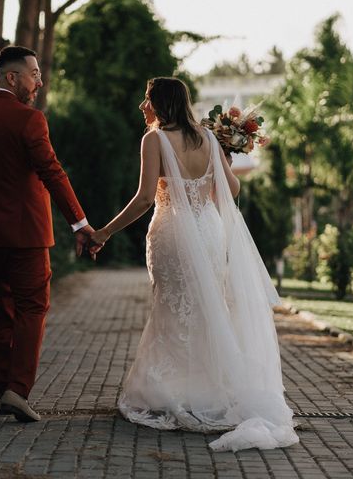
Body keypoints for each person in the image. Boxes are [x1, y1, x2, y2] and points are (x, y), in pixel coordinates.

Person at [90, 77, 299, 452]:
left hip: (172, 231)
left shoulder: (153, 139)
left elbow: (142, 200)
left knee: (171, 308)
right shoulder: (206, 138)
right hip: (208, 230)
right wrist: (223, 165)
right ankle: (210, 392)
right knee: (207, 308)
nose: (143, 106)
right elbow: (231, 190)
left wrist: (105, 232)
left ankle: (171, 393)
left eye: (147, 99)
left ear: (162, 103)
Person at [0, 46, 94, 423]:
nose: (39, 81)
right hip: (27, 235)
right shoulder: (30, 120)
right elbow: (53, 172)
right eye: (33, 74)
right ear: (11, 78)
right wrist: (80, 224)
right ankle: (17, 389)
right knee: (32, 308)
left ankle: (3, 389)